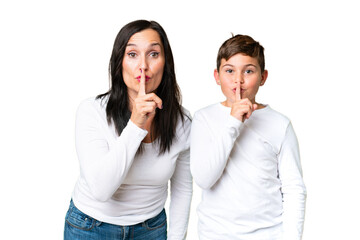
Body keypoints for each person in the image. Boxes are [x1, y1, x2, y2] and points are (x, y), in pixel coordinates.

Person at [64, 20, 192, 240]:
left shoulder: (183, 122)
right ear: (119, 63)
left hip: (151, 229)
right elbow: (101, 190)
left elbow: (182, 191)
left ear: (165, 63)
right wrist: (136, 125)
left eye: (153, 54)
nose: (143, 65)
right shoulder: (91, 111)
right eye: (132, 54)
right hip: (90, 227)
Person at [190, 34, 306, 240]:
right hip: (215, 234)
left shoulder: (280, 124)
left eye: (249, 71)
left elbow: (294, 189)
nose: (238, 80)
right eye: (229, 71)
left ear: (263, 77)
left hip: (268, 234)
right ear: (217, 76)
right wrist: (233, 121)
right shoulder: (204, 118)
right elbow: (204, 179)